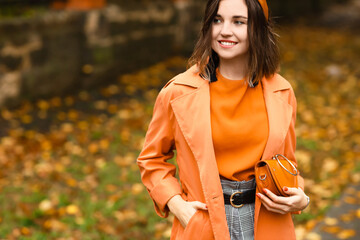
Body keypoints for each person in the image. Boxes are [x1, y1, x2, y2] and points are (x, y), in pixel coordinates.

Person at [137, 0, 310, 239]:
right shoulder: (178, 92)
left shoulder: (281, 92)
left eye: (238, 22)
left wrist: (300, 196)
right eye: (217, 20)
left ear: (258, 29)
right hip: (204, 222)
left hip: (269, 222)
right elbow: (152, 160)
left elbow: (287, 163)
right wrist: (177, 205)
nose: (224, 30)